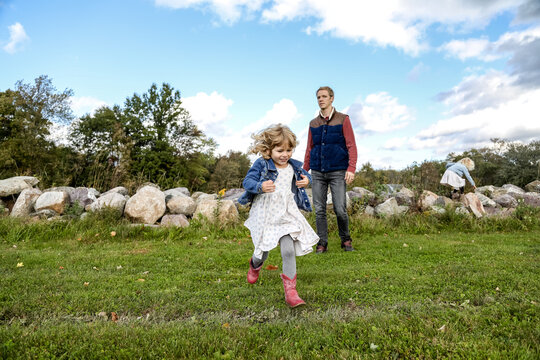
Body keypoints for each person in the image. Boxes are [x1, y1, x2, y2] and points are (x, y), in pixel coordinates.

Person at [238, 124, 319, 307]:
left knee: (288, 250)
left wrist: (307, 180)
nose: (285, 154)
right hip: (266, 213)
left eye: (289, 150)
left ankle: (291, 292)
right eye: (280, 150)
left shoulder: (293, 165)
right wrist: (260, 186)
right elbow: (248, 181)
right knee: (262, 251)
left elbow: (306, 176)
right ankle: (255, 263)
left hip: (286, 213)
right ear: (269, 149)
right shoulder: (262, 164)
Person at [303, 86, 357, 253]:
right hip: (318, 172)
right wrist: (304, 172)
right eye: (318, 97)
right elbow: (309, 149)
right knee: (319, 209)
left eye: (324, 96)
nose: (321, 99)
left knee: (340, 208)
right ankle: (322, 243)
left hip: (338, 171)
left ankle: (345, 239)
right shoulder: (313, 123)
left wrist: (351, 168)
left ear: (332, 98)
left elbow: (351, 145)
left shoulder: (343, 119)